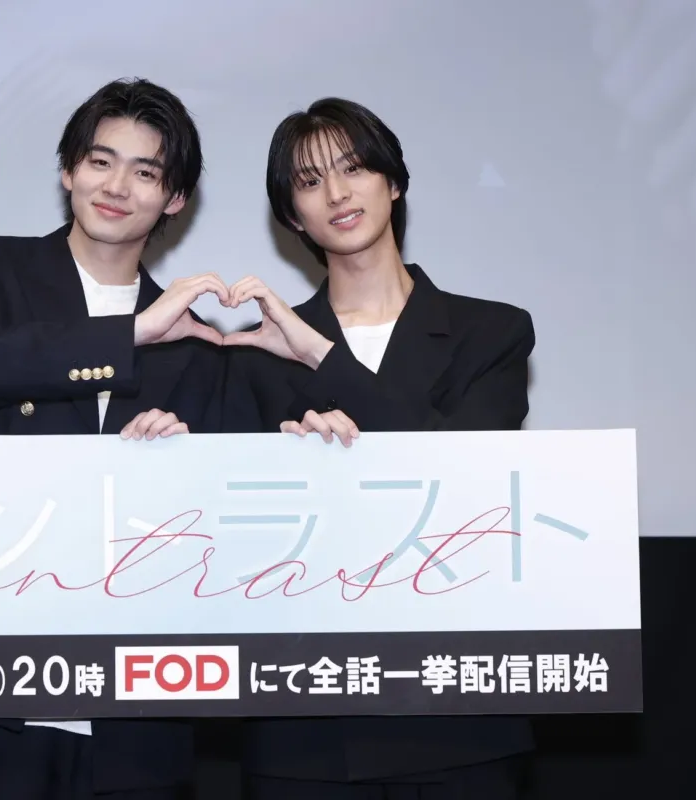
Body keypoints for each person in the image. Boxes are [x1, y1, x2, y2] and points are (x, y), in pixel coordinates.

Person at [0, 77, 228, 800]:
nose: (116, 186)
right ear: (67, 170)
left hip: (136, 708)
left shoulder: (197, 344)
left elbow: (215, 521)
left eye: (145, 172)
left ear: (175, 198)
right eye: (99, 161)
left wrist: (176, 466)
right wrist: (130, 334)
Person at [221, 98, 536, 798]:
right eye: (309, 182)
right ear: (291, 216)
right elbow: (231, 532)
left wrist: (319, 356)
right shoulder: (252, 356)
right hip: (306, 720)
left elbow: (457, 482)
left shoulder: (492, 333)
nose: (337, 193)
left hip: (457, 714)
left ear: (393, 182)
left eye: (355, 168)